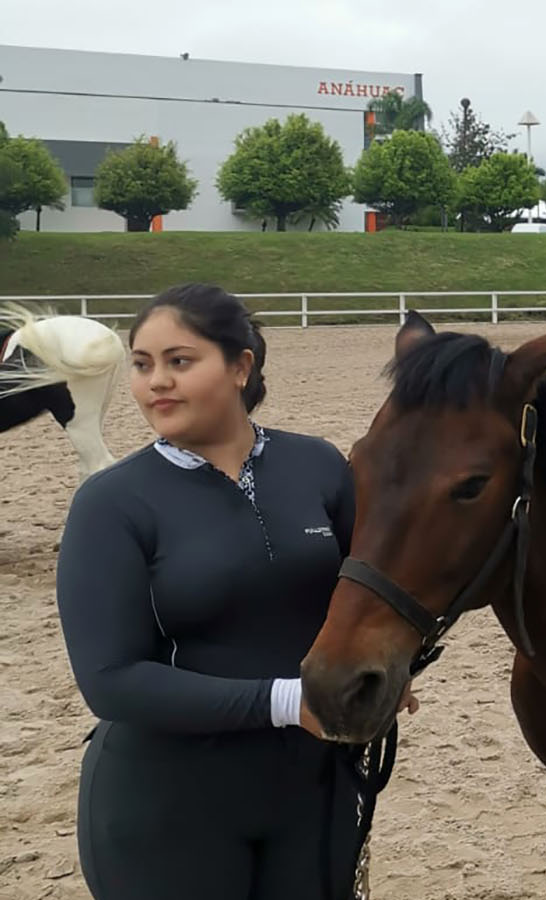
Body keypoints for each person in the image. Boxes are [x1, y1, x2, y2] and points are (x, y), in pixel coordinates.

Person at [55, 283, 411, 900]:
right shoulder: (111, 504)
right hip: (168, 803)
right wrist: (286, 703)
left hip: (314, 794)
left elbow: (371, 595)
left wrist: (390, 671)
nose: (155, 382)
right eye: (141, 365)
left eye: (179, 361)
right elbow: (109, 679)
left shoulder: (319, 467)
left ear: (241, 366)